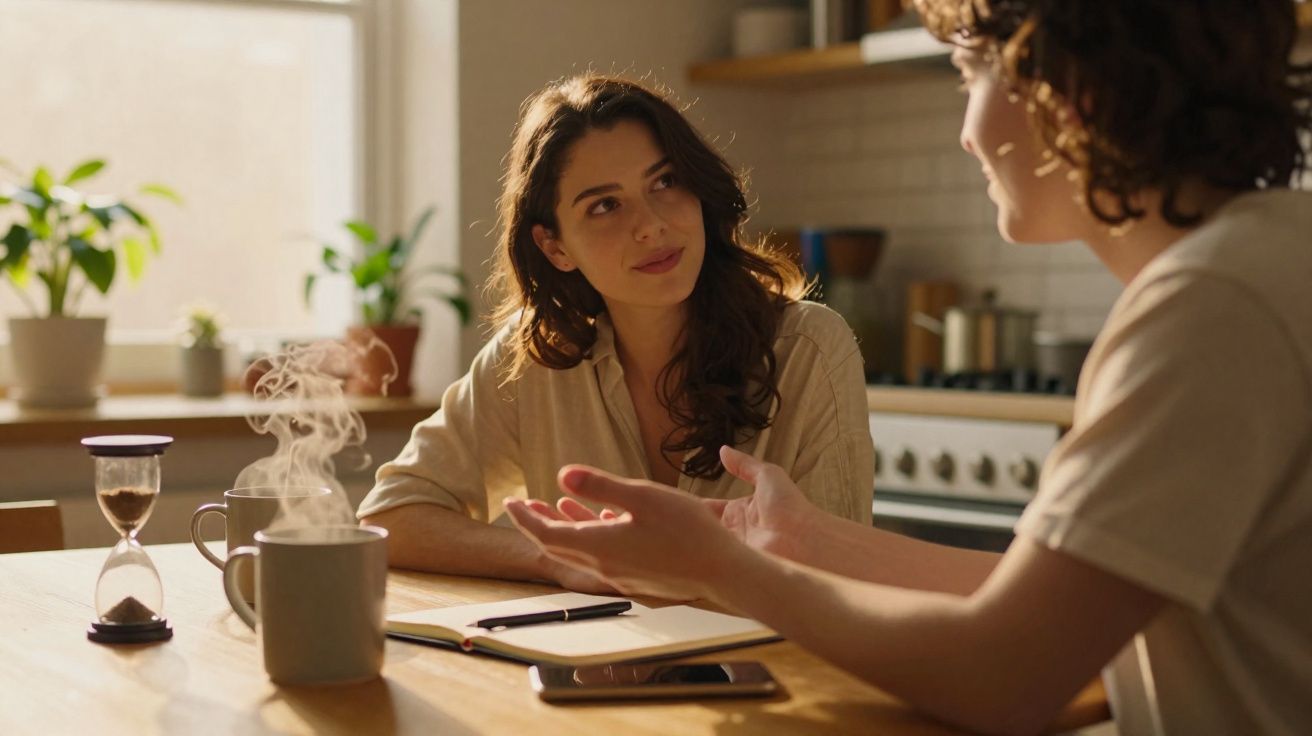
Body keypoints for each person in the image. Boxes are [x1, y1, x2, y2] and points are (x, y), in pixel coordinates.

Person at [503, 2, 1312, 733]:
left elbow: (1005, 675)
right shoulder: (1265, 258)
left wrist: (724, 570)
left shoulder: (1211, 305)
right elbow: (1043, 602)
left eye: (970, 76)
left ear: (1071, 92)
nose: (966, 132)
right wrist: (808, 541)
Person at [359, 75, 875, 593]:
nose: (650, 225)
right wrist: (558, 558)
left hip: (780, 670)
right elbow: (392, 516)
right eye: (605, 205)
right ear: (555, 247)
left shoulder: (809, 348)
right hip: (600, 670)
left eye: (666, 182)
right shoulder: (537, 356)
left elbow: (849, 578)